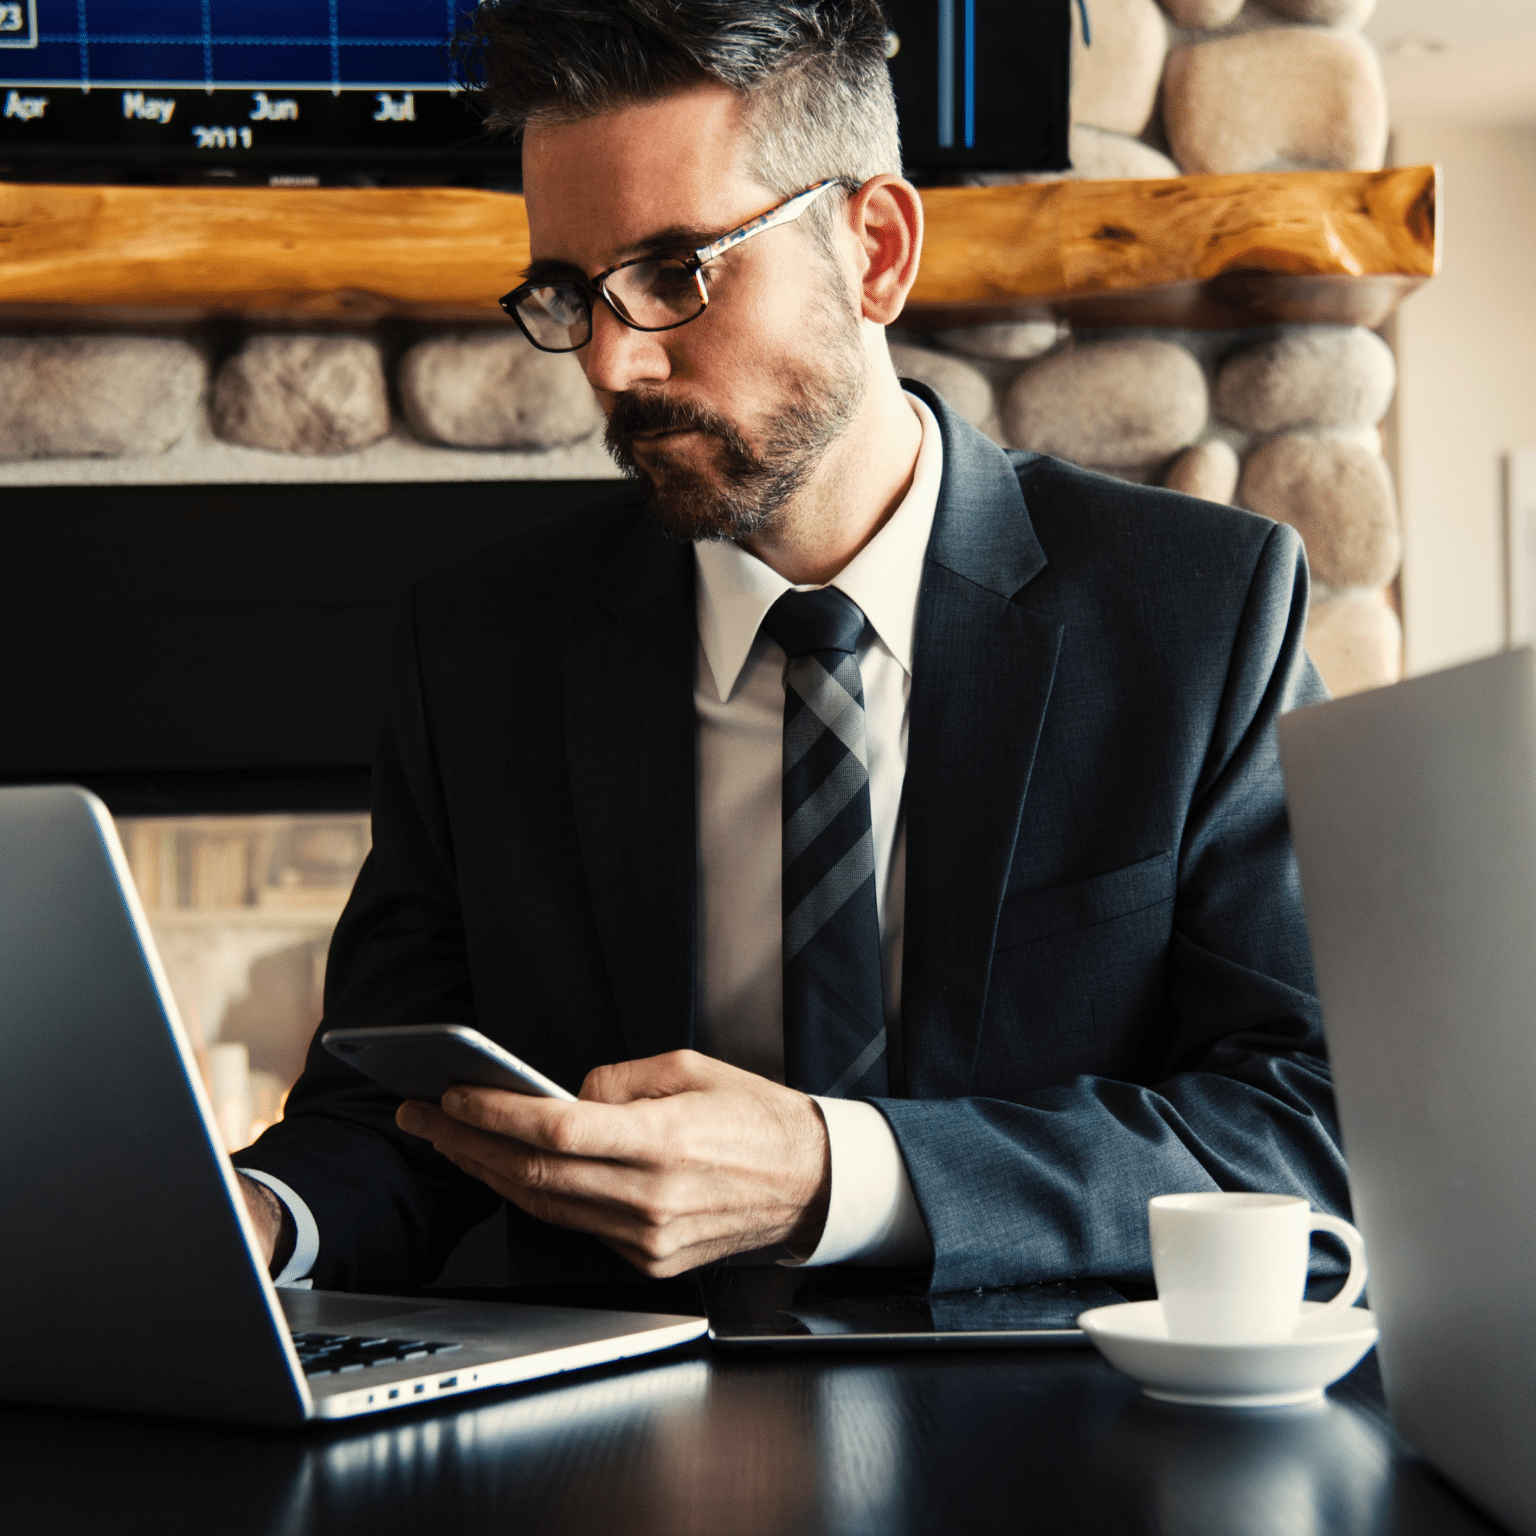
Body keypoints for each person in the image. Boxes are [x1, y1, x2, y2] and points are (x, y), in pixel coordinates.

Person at [234, 0, 1344, 1297]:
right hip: (609, 1455)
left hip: (1055, 1429)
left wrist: (836, 1174)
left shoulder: (1200, 614)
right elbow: (390, 1120)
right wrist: (251, 1217)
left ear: (875, 249)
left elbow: (1302, 1127)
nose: (613, 360)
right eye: (567, 292)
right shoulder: (476, 652)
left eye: (674, 272)